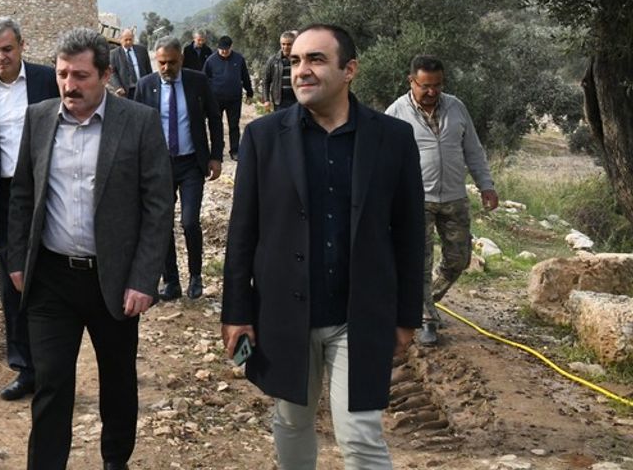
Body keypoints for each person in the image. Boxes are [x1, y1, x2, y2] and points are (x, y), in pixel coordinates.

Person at [221, 24, 425, 470]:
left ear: (349, 70)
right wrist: (236, 313)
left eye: (316, 59)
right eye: (295, 60)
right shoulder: (263, 138)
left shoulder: (392, 138)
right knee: (292, 420)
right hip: (284, 312)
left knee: (361, 436)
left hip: (360, 314)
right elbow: (243, 233)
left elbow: (411, 235)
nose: (301, 70)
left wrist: (408, 315)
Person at [6, 28, 173, 470]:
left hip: (113, 280)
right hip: (51, 280)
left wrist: (144, 279)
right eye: (62, 74)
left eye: (80, 75)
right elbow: (22, 193)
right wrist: (17, 259)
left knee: (117, 381)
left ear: (105, 75)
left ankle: (115, 461)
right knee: (51, 383)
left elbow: (158, 206)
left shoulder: (138, 122)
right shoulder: (39, 118)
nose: (69, 85)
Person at [0, 17, 60, 401]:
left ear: (21, 46)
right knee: (10, 281)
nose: (1, 57)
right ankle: (25, 367)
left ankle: (54, 365)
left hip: (48, 188)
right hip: (3, 195)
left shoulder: (46, 79)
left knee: (51, 274)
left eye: (7, 49)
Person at [385, 54, 498, 347]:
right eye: (425, 86)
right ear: (411, 81)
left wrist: (486, 186)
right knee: (419, 262)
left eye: (437, 85)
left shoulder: (456, 107)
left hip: (454, 197)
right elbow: (382, 159)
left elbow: (473, 150)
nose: (432, 91)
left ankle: (423, 303)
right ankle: (426, 319)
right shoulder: (396, 112)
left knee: (459, 259)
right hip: (415, 200)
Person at [132, 36, 224, 301]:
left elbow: (215, 119)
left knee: (189, 221)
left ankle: (195, 276)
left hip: (191, 163)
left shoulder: (197, 82)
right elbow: (137, 126)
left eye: (172, 62)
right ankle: (170, 280)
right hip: (158, 166)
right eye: (161, 63)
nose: (166, 68)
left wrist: (216, 156)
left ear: (181, 59)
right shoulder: (145, 86)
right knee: (162, 223)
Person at [202, 35, 254, 160]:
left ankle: (235, 151)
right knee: (216, 126)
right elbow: (203, 79)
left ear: (231, 47)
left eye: (226, 49)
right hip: (216, 99)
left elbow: (245, 76)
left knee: (234, 125)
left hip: (234, 98)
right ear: (218, 48)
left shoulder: (239, 59)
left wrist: (249, 92)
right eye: (222, 49)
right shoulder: (210, 60)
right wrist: (203, 97)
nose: (224, 52)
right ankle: (217, 151)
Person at [107, 28, 152, 98]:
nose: (128, 42)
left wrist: (150, 84)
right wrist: (118, 87)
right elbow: (112, 73)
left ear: (133, 39)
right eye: (126, 40)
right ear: (121, 40)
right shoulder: (114, 54)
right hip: (126, 90)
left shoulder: (142, 51)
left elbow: (148, 69)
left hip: (142, 87)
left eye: (130, 39)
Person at [261, 31, 298, 112]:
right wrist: (266, 100)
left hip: (296, 101)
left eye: (289, 44)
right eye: (283, 44)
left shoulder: (299, 60)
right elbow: (266, 81)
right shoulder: (273, 60)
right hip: (279, 102)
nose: (285, 47)